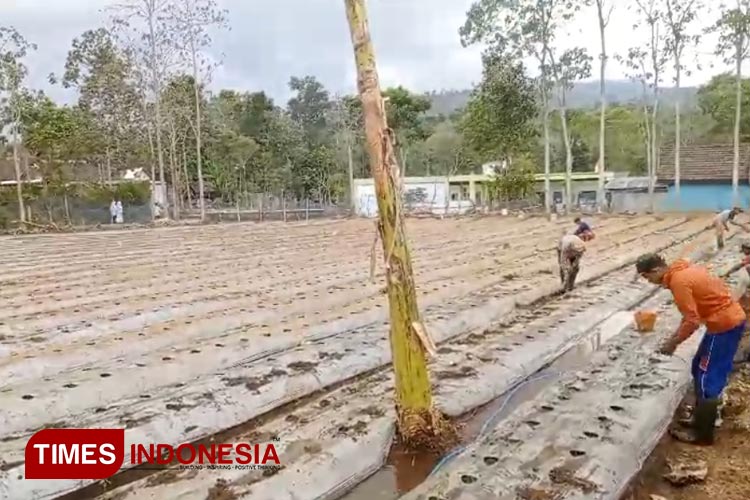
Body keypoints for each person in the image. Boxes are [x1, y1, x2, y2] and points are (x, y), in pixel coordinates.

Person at [636, 253, 746, 445]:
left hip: (723, 326)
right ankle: (699, 419)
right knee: (698, 366)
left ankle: (703, 435)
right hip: (724, 321)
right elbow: (692, 314)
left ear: (656, 270)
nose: (649, 282)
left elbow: (692, 320)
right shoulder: (685, 270)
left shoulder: (679, 281)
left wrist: (673, 343)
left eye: (647, 277)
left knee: (707, 377)